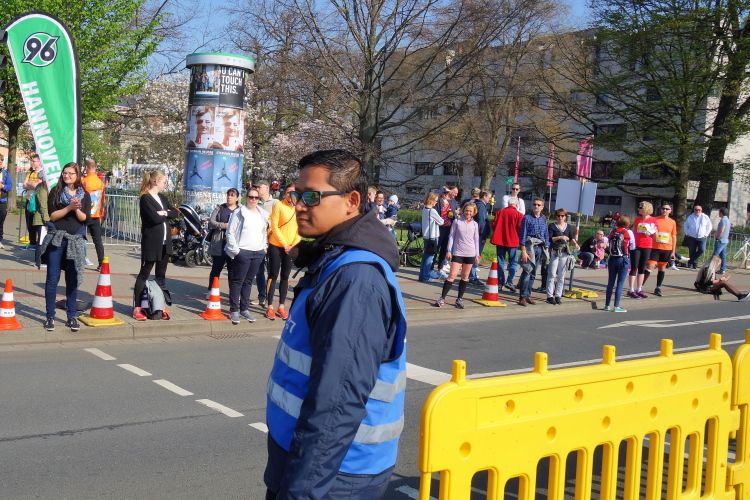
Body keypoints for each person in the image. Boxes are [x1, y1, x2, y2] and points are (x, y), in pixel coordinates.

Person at [264, 149, 406, 499]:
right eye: (297, 195)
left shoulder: (356, 279)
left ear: (351, 201)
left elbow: (337, 402)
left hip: (335, 474)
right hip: (313, 461)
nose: (299, 206)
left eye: (312, 197)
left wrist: (301, 492)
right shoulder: (333, 258)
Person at [38, 163, 91, 332]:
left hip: (75, 241)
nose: (66, 176)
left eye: (70, 173)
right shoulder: (56, 191)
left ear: (77, 176)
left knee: (72, 280)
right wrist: (69, 207)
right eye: (64, 173)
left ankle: (71, 316)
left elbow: (85, 219)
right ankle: (50, 316)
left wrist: (76, 209)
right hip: (57, 240)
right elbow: (52, 216)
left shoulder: (84, 195)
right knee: (52, 279)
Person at [132, 170, 178, 321]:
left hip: (165, 242)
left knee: (161, 275)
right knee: (144, 273)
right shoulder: (146, 198)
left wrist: (164, 213)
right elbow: (153, 218)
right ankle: (137, 307)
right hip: (152, 242)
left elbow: (175, 213)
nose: (165, 184)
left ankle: (160, 306)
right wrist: (165, 214)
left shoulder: (162, 198)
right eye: (164, 181)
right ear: (156, 182)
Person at [224, 188, 269, 324]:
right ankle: (234, 310)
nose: (253, 200)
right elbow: (230, 233)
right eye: (251, 197)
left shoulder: (263, 213)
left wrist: (264, 248)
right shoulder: (239, 212)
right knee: (238, 281)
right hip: (243, 251)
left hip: (258, 252)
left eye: (256, 197)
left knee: (248, 281)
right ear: (246, 197)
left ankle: (244, 309)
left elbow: (264, 232)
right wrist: (236, 251)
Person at [265, 184, 301, 321]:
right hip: (276, 245)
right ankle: (270, 306)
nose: (291, 195)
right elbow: (274, 226)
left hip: (291, 247)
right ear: (284, 193)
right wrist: (284, 244)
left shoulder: (299, 207)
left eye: (294, 192)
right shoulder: (279, 205)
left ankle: (281, 306)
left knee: (285, 276)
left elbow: (300, 228)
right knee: (273, 274)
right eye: (288, 192)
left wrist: (293, 245)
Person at [435, 203, 480, 308]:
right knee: (452, 276)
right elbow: (451, 236)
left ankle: (459, 299)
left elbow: (476, 240)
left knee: (465, 277)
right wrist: (448, 250)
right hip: (458, 252)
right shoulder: (457, 222)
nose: (468, 213)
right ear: (463, 210)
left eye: (470, 211)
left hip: (470, 253)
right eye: (466, 210)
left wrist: (477, 254)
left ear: (474, 212)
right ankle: (442, 298)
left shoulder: (475, 224)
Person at [206, 188, 240, 296]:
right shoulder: (220, 208)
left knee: (232, 270)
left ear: (237, 198)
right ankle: (211, 290)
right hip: (220, 243)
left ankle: (233, 293)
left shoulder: (240, 210)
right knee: (216, 268)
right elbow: (211, 222)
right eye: (228, 195)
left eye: (232, 195)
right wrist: (223, 225)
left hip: (233, 244)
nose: (229, 197)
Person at [518, 198, 548, 306]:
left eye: (539, 205)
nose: (536, 206)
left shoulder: (544, 218)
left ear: (542, 207)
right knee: (527, 272)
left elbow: (546, 234)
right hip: (529, 247)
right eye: (534, 204)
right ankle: (522, 297)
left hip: (540, 247)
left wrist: (546, 248)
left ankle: (528, 295)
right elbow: (522, 235)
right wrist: (523, 251)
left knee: (533, 274)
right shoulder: (527, 218)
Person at [252, 179, 278, 309]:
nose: (257, 189)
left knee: (271, 272)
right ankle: (261, 296)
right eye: (255, 187)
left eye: (259, 187)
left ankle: (270, 299)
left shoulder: (275, 203)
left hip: (272, 243)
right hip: (258, 243)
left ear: (267, 187)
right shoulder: (254, 202)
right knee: (259, 271)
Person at [490, 198, 524, 292]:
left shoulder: (500, 212)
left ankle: (500, 283)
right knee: (513, 262)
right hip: (513, 241)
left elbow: (494, 224)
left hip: (500, 240)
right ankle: (509, 281)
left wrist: (498, 231)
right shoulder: (519, 215)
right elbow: (520, 229)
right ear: (517, 205)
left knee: (500, 262)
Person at [546, 208, 578, 305]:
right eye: (558, 215)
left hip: (564, 252)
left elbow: (571, 238)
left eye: (562, 216)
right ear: (556, 216)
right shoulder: (552, 226)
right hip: (555, 251)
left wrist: (576, 244)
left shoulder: (568, 226)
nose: (560, 217)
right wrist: (560, 237)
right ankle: (549, 296)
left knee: (561, 275)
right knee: (552, 274)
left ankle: (558, 295)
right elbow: (550, 238)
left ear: (565, 217)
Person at [604, 215, 636, 312]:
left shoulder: (612, 231)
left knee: (610, 282)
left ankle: (607, 305)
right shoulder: (628, 232)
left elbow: (608, 242)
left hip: (612, 258)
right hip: (623, 258)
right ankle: (616, 306)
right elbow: (633, 246)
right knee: (620, 283)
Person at [645, 203, 677, 297]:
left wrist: (673, 251)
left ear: (670, 211)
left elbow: (673, 236)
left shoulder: (672, 222)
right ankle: (640, 287)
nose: (665, 210)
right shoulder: (655, 219)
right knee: (650, 266)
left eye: (667, 209)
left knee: (662, 268)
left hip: (667, 248)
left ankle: (658, 288)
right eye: (663, 208)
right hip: (655, 247)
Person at [627, 201, 657, 299]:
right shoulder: (637, 220)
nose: (638, 209)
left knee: (642, 268)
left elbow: (656, 235)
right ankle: (631, 290)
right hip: (636, 246)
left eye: (640, 208)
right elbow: (633, 232)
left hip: (647, 245)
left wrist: (653, 231)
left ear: (646, 209)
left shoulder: (653, 220)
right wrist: (630, 243)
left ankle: (639, 289)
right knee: (634, 267)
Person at [82, 159, 106, 271]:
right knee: (98, 241)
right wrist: (101, 215)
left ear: (86, 168)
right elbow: (102, 200)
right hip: (96, 214)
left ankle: (78, 259)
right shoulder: (101, 183)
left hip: (83, 214)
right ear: (95, 167)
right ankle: (101, 264)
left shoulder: (83, 181)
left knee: (79, 237)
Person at [468, 190, 491, 286]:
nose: (490, 199)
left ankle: (469, 274)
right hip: (479, 234)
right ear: (484, 196)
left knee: (472, 254)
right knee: (476, 255)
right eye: (489, 197)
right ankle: (472, 276)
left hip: (474, 233)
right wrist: (483, 234)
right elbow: (482, 221)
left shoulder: (476, 204)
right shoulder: (481, 206)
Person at [22, 154, 44, 250]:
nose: (32, 163)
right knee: (29, 222)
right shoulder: (30, 173)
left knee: (37, 222)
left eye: (34, 161)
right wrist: (32, 184)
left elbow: (36, 186)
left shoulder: (43, 173)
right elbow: (24, 185)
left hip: (38, 201)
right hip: (29, 200)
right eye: (32, 161)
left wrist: (30, 184)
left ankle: (39, 243)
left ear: (39, 162)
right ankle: (32, 242)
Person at [420, 192, 442, 282]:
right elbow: (441, 222)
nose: (436, 202)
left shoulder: (424, 209)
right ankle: (425, 276)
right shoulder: (432, 211)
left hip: (426, 236)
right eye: (436, 201)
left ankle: (422, 275)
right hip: (432, 236)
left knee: (426, 256)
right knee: (430, 257)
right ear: (431, 200)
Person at [435, 186, 459, 269]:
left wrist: (455, 213)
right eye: (455, 193)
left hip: (448, 227)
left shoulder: (452, 201)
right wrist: (444, 190)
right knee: (436, 248)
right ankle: (431, 269)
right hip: (439, 227)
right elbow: (433, 194)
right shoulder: (439, 200)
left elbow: (457, 210)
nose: (456, 195)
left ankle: (440, 268)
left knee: (444, 249)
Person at [30, 174, 50, 267]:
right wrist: (47, 221)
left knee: (43, 240)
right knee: (41, 241)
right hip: (41, 220)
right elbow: (43, 207)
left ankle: (42, 260)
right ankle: (39, 261)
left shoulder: (43, 190)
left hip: (43, 219)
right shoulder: (42, 191)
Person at [684, 205, 712, 269]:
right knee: (692, 251)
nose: (697, 211)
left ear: (701, 210)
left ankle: (691, 260)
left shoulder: (705, 217)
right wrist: (687, 233)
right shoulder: (690, 217)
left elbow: (709, 226)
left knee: (702, 249)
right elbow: (685, 225)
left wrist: (706, 234)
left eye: (699, 210)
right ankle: (694, 264)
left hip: (701, 237)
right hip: (692, 237)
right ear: (694, 210)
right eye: (696, 210)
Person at [713, 207, 730, 274]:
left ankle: (711, 268)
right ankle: (722, 269)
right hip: (725, 240)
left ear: (721, 213)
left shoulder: (723, 220)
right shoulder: (727, 220)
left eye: (719, 212)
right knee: (723, 256)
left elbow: (722, 230)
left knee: (715, 255)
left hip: (721, 240)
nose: (718, 213)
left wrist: (717, 238)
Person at [0, 154, 10, 249]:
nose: (0, 161)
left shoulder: (5, 173)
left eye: (2, 160)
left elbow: (10, 186)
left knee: (1, 222)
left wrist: (3, 186)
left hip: (2, 200)